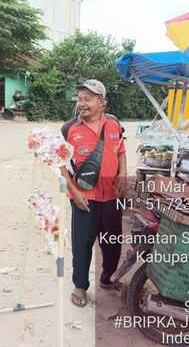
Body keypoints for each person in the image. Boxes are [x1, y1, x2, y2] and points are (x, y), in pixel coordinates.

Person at [60, 79, 127, 308]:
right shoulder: (69, 129)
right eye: (79, 99)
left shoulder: (114, 124)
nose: (82, 104)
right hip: (83, 199)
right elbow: (60, 165)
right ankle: (80, 286)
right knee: (82, 244)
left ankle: (107, 278)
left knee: (112, 242)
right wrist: (73, 192)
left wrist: (123, 174)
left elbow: (121, 152)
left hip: (112, 198)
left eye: (87, 99)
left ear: (102, 102)